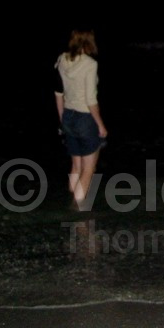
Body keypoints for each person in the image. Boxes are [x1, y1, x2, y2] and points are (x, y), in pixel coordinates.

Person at [54, 29, 107, 207]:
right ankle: (78, 212)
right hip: (85, 119)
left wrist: (62, 120)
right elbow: (91, 100)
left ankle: (71, 201)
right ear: (89, 42)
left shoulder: (62, 59)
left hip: (68, 116)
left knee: (76, 166)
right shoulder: (90, 64)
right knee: (88, 169)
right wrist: (100, 125)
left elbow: (58, 93)